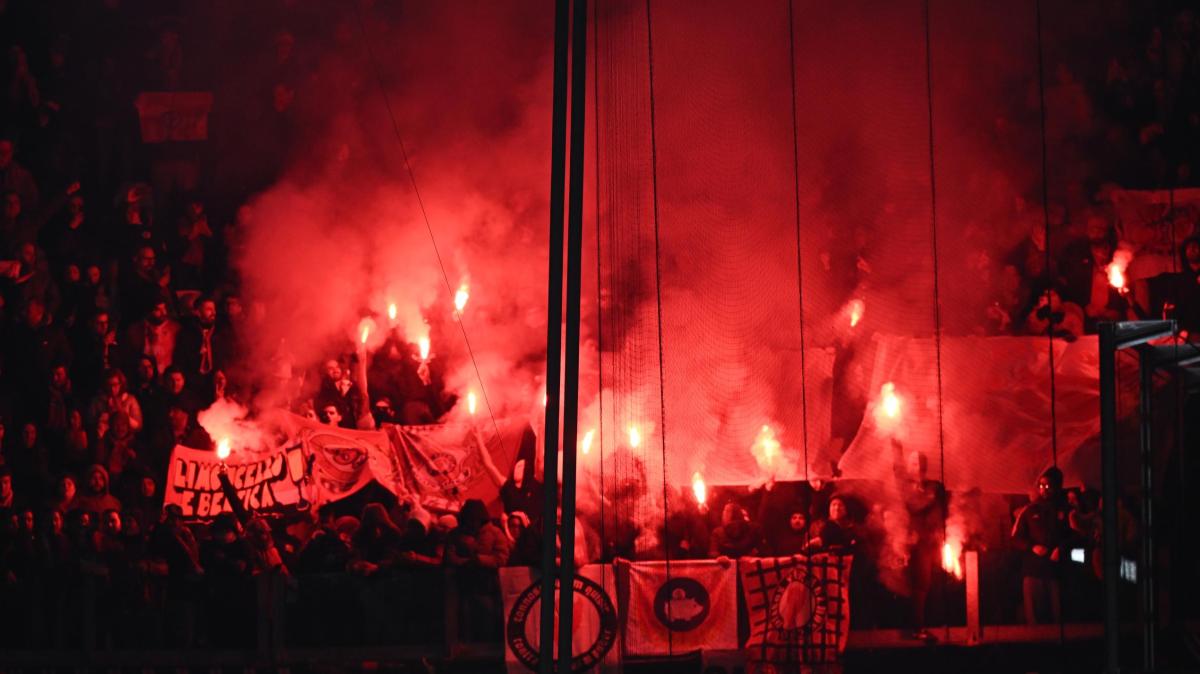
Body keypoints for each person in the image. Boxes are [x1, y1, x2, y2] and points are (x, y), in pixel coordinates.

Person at [895, 447, 945, 641]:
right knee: (913, 585)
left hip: (927, 542)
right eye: (914, 462)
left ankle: (924, 625)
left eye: (920, 462)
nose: (918, 466)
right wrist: (896, 448)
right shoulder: (905, 486)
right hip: (908, 542)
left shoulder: (934, 486)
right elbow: (913, 505)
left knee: (925, 584)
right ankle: (914, 627)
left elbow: (940, 512)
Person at [1011, 467, 1067, 625]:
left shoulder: (1064, 509)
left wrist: (1061, 549)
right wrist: (1032, 547)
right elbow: (1015, 538)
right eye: (1041, 486)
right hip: (1033, 571)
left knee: (1058, 617)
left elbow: (1073, 536)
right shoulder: (1030, 510)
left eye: (1048, 486)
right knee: (1035, 618)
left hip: (1056, 571)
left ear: (1056, 486)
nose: (1044, 489)